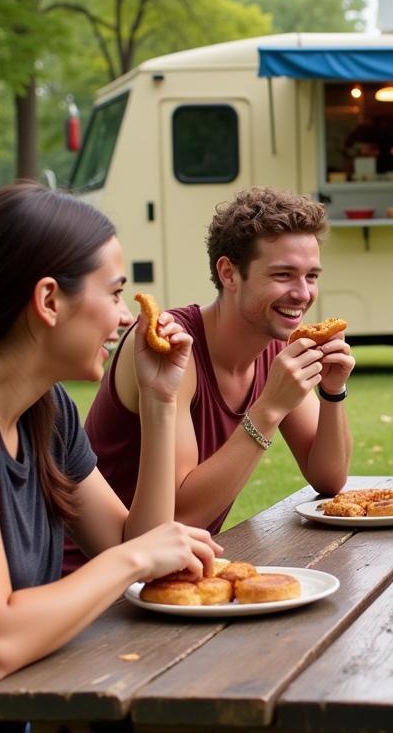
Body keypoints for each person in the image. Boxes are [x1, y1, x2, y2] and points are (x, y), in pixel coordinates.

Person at [0, 182, 272, 733]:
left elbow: (132, 544)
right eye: (114, 293)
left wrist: (162, 399)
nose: (122, 315)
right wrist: (139, 554)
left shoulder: (45, 409)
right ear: (49, 300)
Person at [63, 185, 353, 574]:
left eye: (311, 276)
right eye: (284, 275)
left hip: (173, 576)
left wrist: (333, 392)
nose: (302, 294)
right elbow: (181, 516)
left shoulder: (273, 347)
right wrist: (267, 411)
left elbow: (329, 478)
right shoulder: (169, 347)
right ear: (229, 273)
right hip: (95, 580)